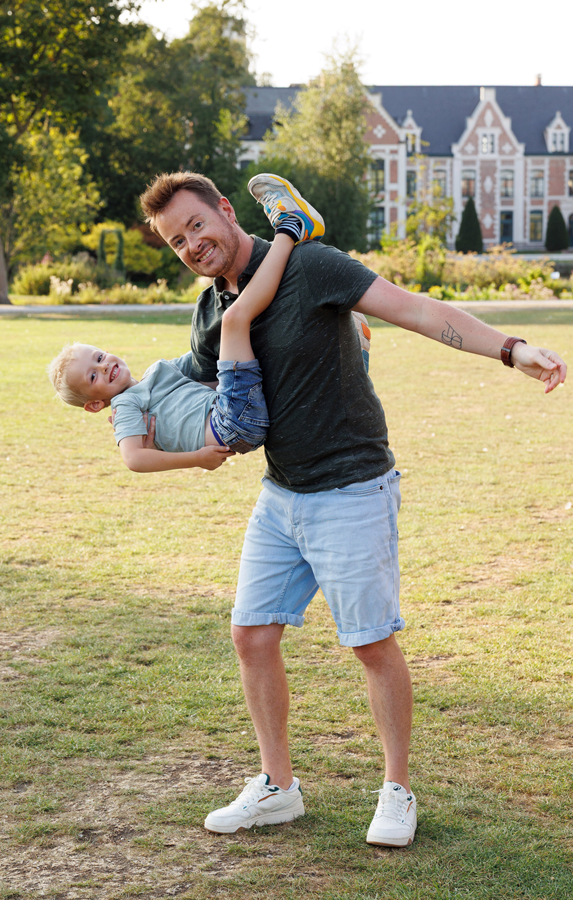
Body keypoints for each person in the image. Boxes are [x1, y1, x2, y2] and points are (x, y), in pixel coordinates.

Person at [139, 171, 567, 846]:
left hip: (351, 487)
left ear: (225, 211)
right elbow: (187, 384)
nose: (192, 244)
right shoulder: (211, 308)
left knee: (369, 643)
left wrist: (511, 350)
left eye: (197, 225)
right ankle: (278, 788)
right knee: (252, 634)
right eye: (176, 240)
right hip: (282, 493)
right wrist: (115, 402)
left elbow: (419, 310)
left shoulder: (310, 266)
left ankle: (397, 790)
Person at [47, 191, 325, 474]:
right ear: (95, 405)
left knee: (264, 357)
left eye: (99, 356)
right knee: (237, 318)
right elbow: (134, 460)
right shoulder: (126, 405)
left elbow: (209, 364)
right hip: (230, 423)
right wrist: (196, 458)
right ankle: (290, 229)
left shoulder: (157, 374)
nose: (104, 366)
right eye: (93, 375)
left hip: (242, 415)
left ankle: (340, 338)